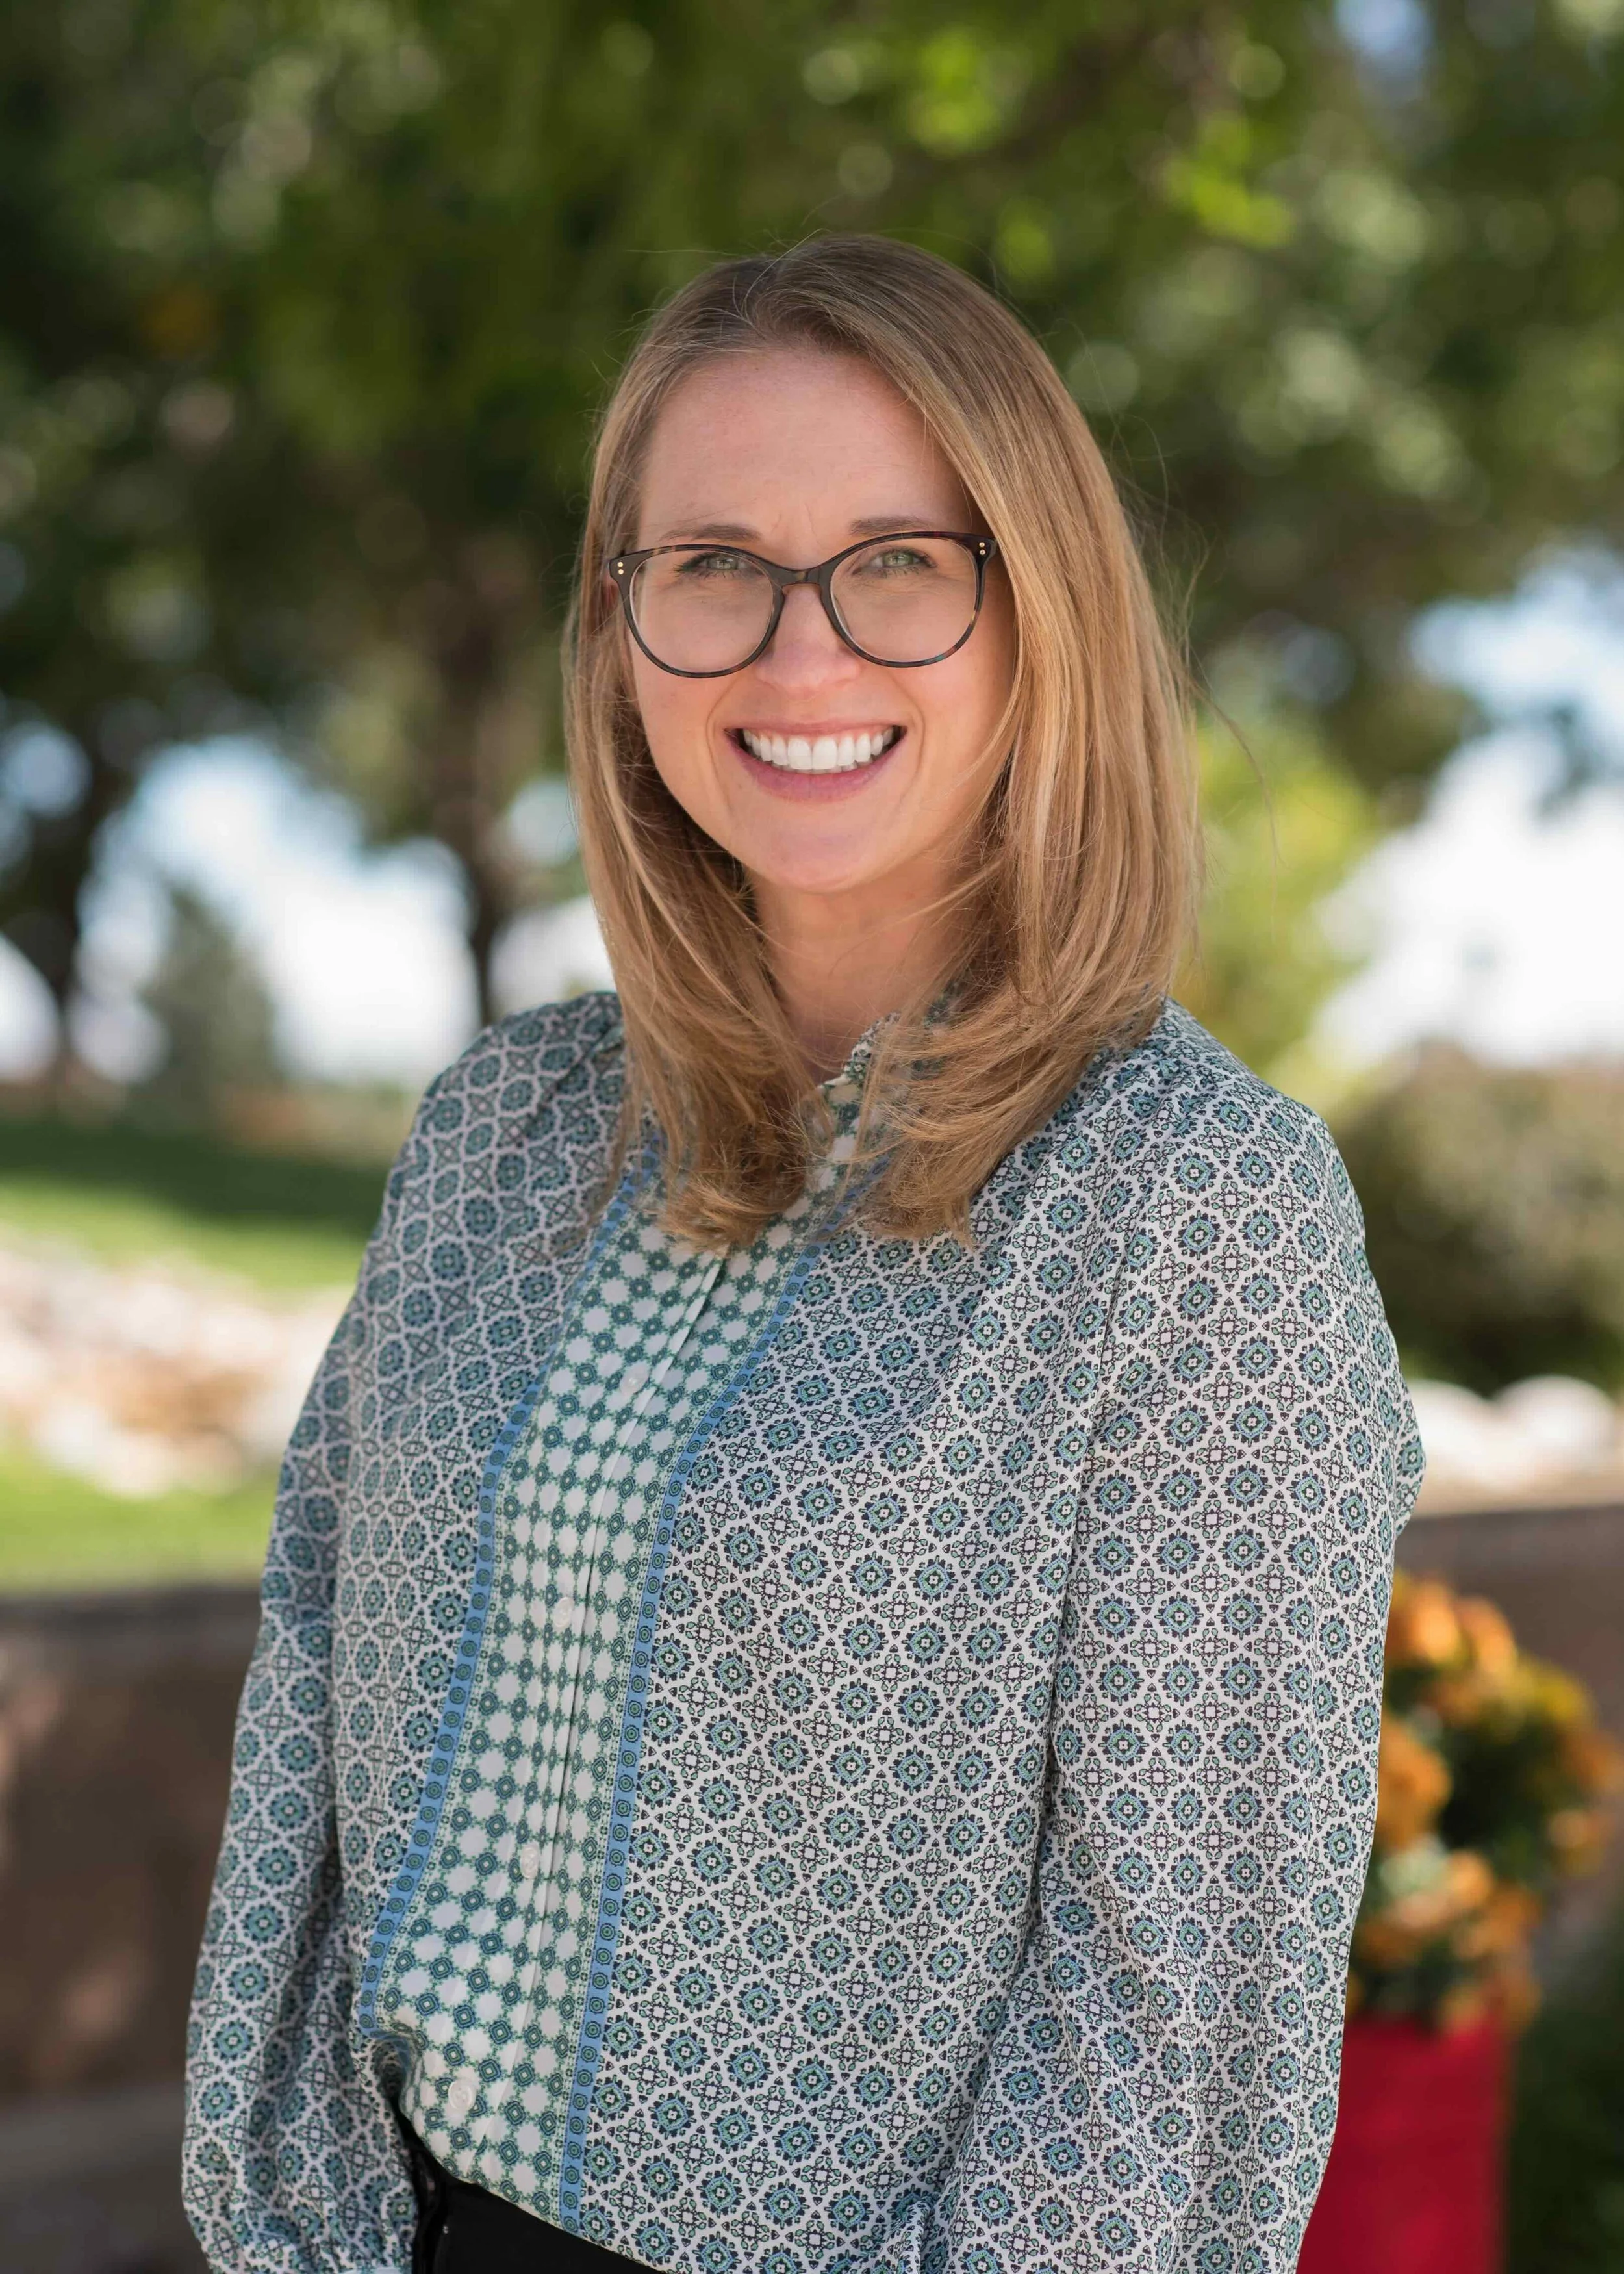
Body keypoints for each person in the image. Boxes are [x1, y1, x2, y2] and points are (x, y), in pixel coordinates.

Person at [183, 234, 1423, 2274]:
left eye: (897, 562)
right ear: (620, 628)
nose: (799, 651)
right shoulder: (499, 1130)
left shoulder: (1190, 1207)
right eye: (714, 565)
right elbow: (306, 1696)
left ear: (1037, 612)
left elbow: (1169, 2027)